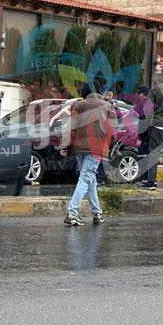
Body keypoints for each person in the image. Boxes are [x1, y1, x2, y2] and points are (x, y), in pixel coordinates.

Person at [64, 82, 117, 226]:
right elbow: (113, 129)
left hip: (78, 148)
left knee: (89, 178)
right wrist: (109, 146)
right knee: (86, 178)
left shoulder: (78, 105)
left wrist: (64, 146)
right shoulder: (108, 106)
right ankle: (72, 212)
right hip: (96, 148)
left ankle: (97, 213)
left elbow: (70, 127)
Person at [135, 86, 152, 185]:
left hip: (144, 135)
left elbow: (142, 121)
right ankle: (146, 178)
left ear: (143, 94)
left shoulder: (143, 104)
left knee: (143, 156)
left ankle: (144, 178)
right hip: (150, 135)